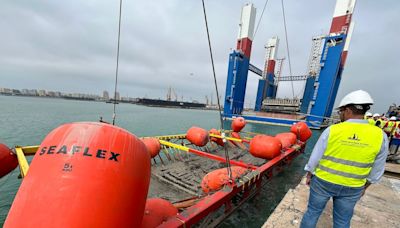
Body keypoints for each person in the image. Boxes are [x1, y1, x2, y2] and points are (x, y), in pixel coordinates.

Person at [300, 90, 388, 228]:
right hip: (353, 186)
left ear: (347, 110)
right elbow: (378, 168)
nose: (340, 114)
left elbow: (315, 157)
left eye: (340, 111)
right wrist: (365, 186)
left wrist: (310, 174)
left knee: (312, 213)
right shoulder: (380, 135)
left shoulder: (333, 130)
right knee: (342, 221)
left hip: (323, 182)